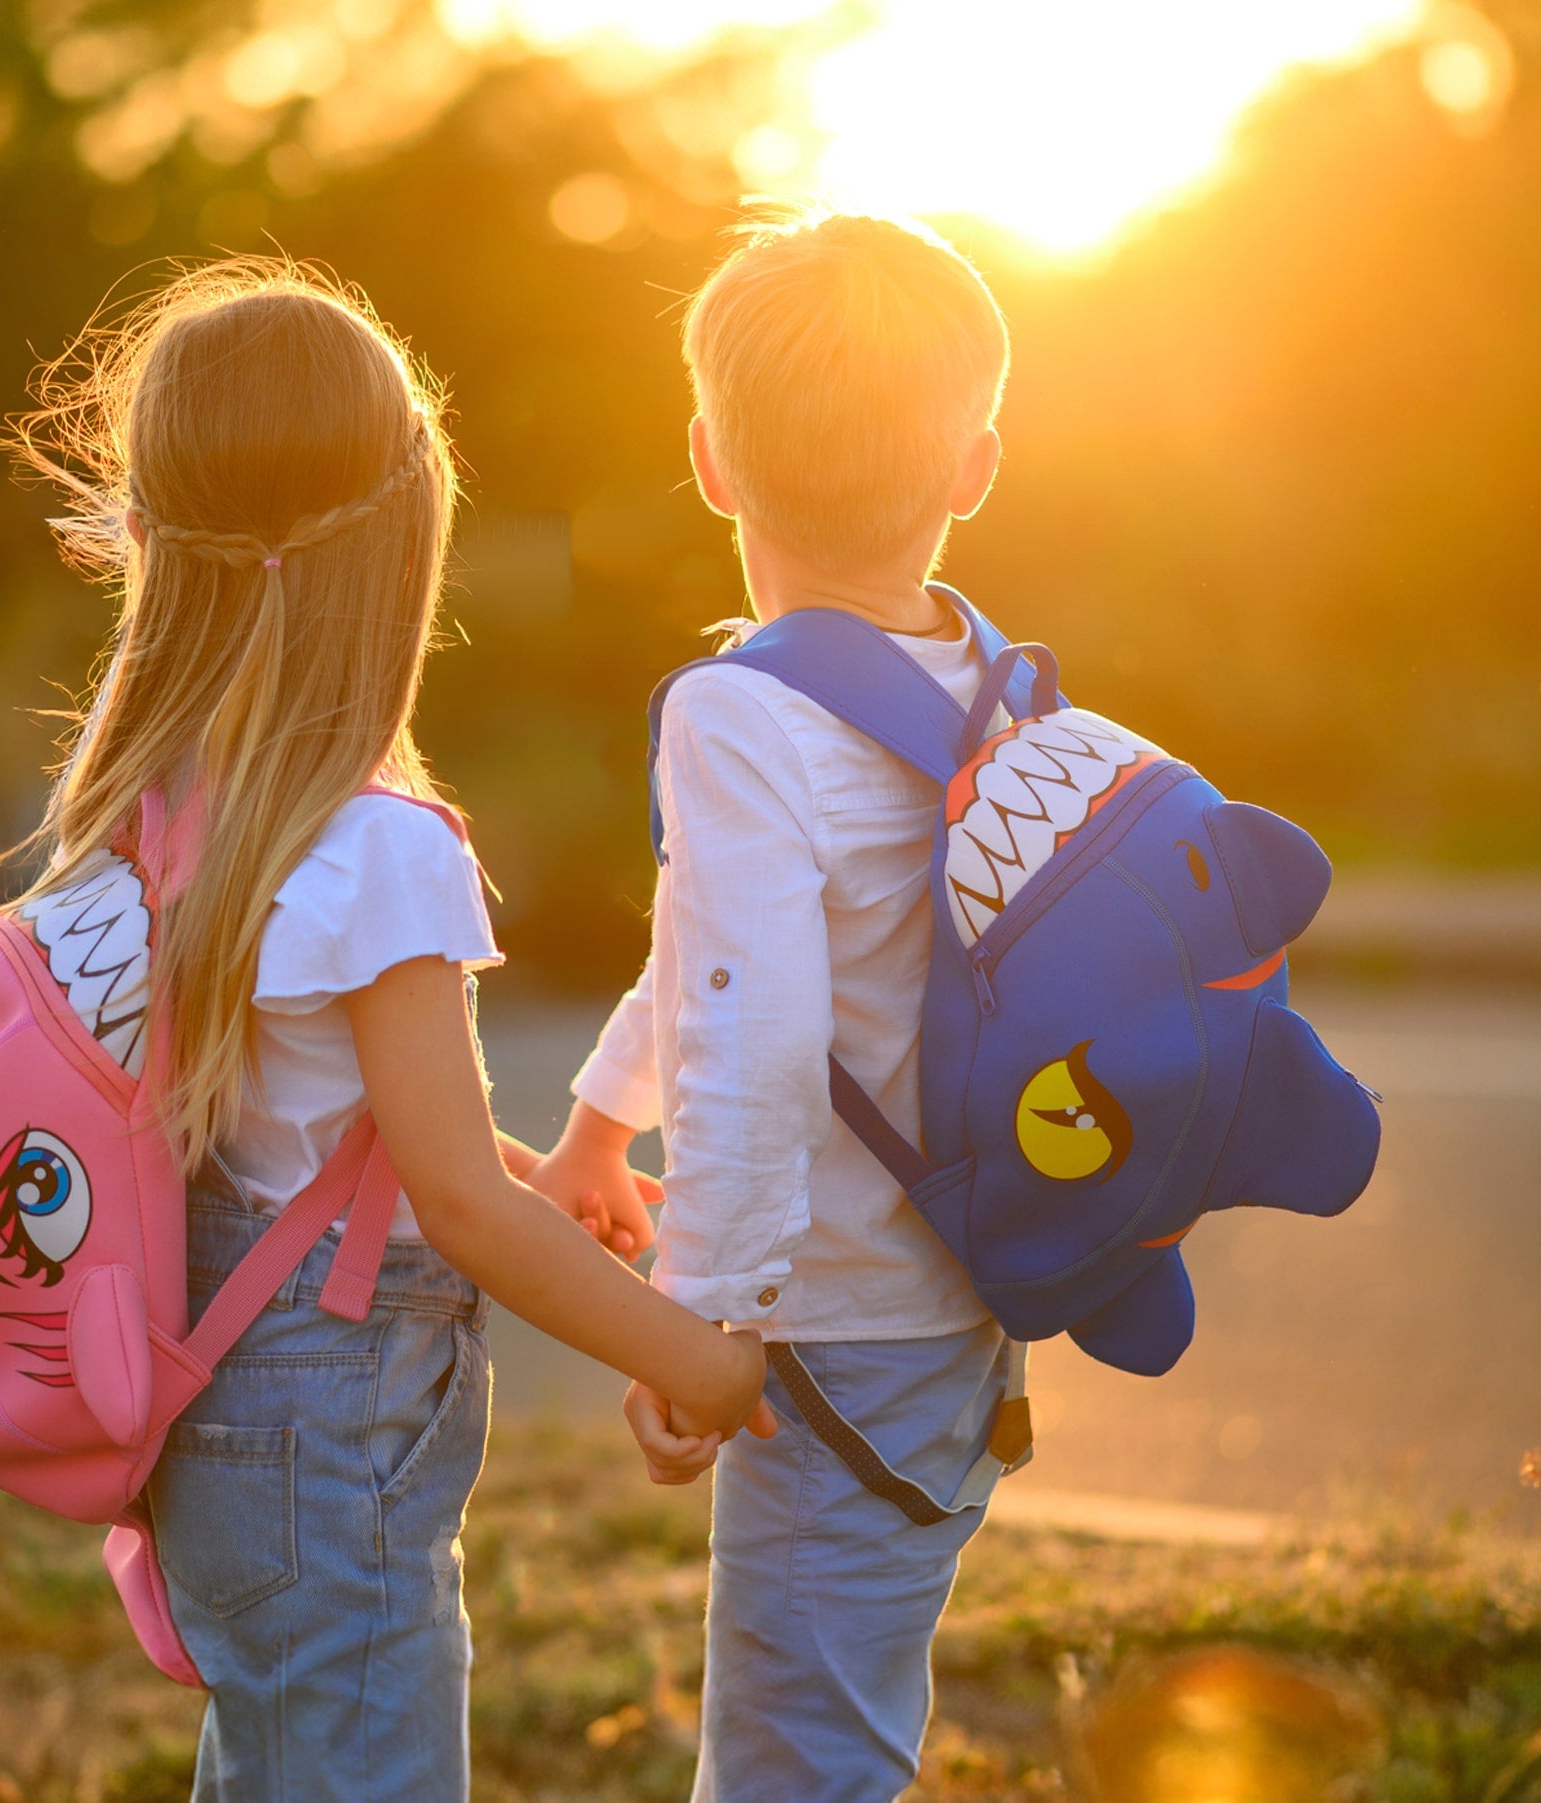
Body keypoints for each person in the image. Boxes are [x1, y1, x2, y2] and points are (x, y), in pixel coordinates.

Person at [0, 259, 770, 1801]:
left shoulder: (168, 807)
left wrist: (544, 1175)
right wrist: (697, 1362)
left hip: (222, 1424)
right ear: (397, 551)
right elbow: (447, 1200)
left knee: (273, 1768)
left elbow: (325, 1131)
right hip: (333, 1446)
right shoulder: (378, 847)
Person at [531, 211, 1021, 1800]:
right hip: (961, 1296)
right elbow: (725, 956)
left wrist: (702, 1322)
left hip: (824, 1330)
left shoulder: (744, 713)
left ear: (709, 461)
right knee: (849, 1726)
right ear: (973, 468)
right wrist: (607, 1118)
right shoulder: (988, 682)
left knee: (798, 1767)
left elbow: (749, 1028)